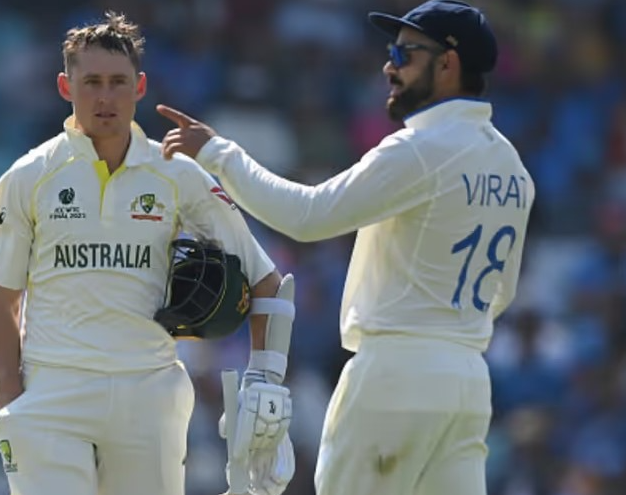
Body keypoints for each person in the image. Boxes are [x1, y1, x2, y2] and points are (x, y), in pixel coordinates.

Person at [156, 1, 535, 494]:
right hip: (466, 382)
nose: (389, 65)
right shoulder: (512, 167)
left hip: (395, 375)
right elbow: (501, 294)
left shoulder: (420, 149)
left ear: (448, 63)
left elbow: (308, 217)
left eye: (406, 53)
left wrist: (217, 152)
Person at [0, 11, 294, 495]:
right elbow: (1, 301)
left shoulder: (179, 176)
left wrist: (265, 383)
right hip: (52, 390)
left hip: (150, 393)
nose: (105, 97)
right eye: (91, 83)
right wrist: (11, 403)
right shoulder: (27, 177)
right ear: (66, 87)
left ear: (140, 86)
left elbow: (266, 281)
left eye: (118, 82)